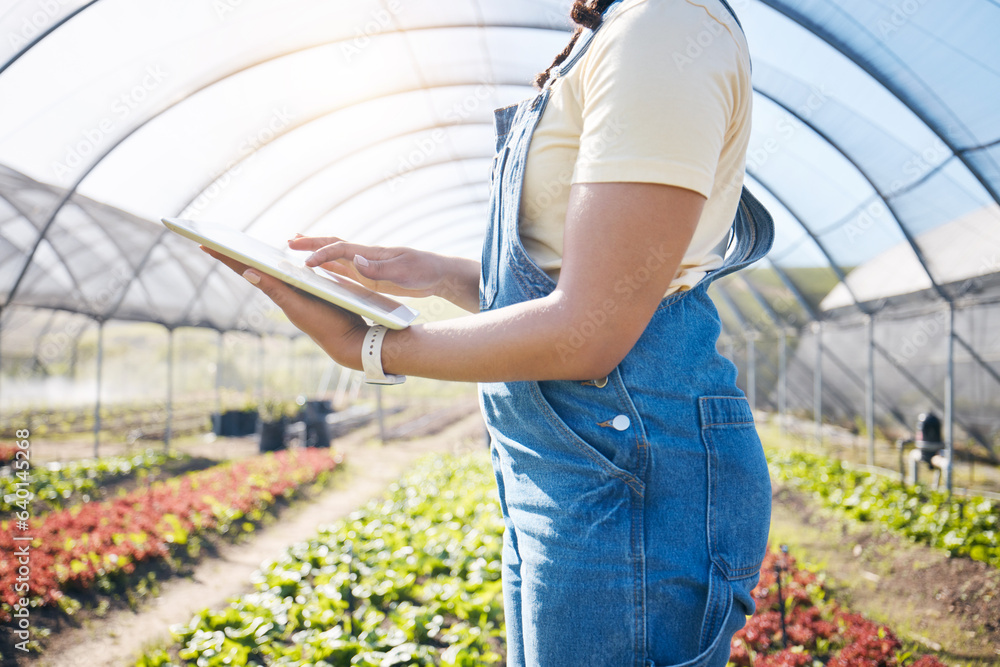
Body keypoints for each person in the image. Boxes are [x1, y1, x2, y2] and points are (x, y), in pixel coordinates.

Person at [204, 0, 773, 664]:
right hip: (564, 463)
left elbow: (592, 327)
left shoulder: (665, 27)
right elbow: (572, 282)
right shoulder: (609, 36)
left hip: (627, 468)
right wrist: (437, 273)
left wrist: (373, 348)